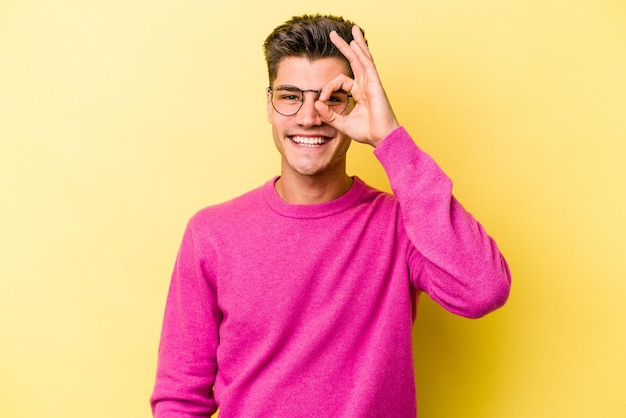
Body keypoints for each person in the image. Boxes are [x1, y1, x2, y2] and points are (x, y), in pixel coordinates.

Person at [150, 14, 511, 418]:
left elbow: (483, 289)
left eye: (331, 98)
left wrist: (389, 137)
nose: (309, 117)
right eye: (290, 96)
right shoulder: (211, 233)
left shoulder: (400, 224)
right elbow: (180, 398)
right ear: (269, 105)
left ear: (355, 104)